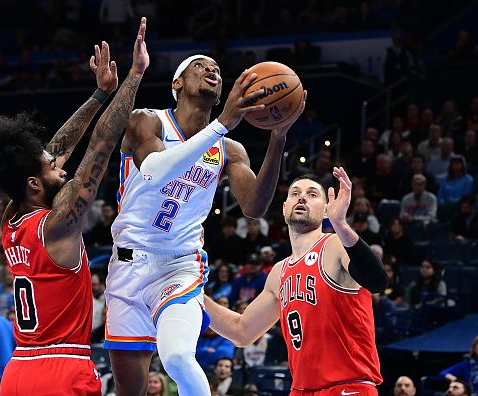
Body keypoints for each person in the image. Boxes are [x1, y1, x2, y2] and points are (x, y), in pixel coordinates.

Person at [0, 17, 148, 396]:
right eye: (52, 170)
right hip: (62, 369)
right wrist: (135, 75)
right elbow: (100, 145)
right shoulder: (57, 224)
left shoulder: (12, 216)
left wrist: (98, 95)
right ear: (33, 184)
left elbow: (54, 150)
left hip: (19, 371)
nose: (61, 169)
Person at [105, 51, 306, 394]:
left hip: (179, 265)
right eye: (200, 66)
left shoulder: (229, 149)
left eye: (216, 68)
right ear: (177, 83)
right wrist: (221, 124)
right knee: (130, 390)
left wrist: (278, 138)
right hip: (126, 265)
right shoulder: (146, 121)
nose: (211, 70)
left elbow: (254, 207)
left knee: (179, 356)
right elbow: (153, 172)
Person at [205, 169, 387, 394]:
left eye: (312, 194)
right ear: (283, 209)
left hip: (347, 386)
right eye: (295, 193)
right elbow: (241, 331)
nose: (302, 197)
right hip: (301, 389)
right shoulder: (279, 272)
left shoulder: (335, 246)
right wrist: (192, 293)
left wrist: (341, 225)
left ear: (325, 211)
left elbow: (377, 281)